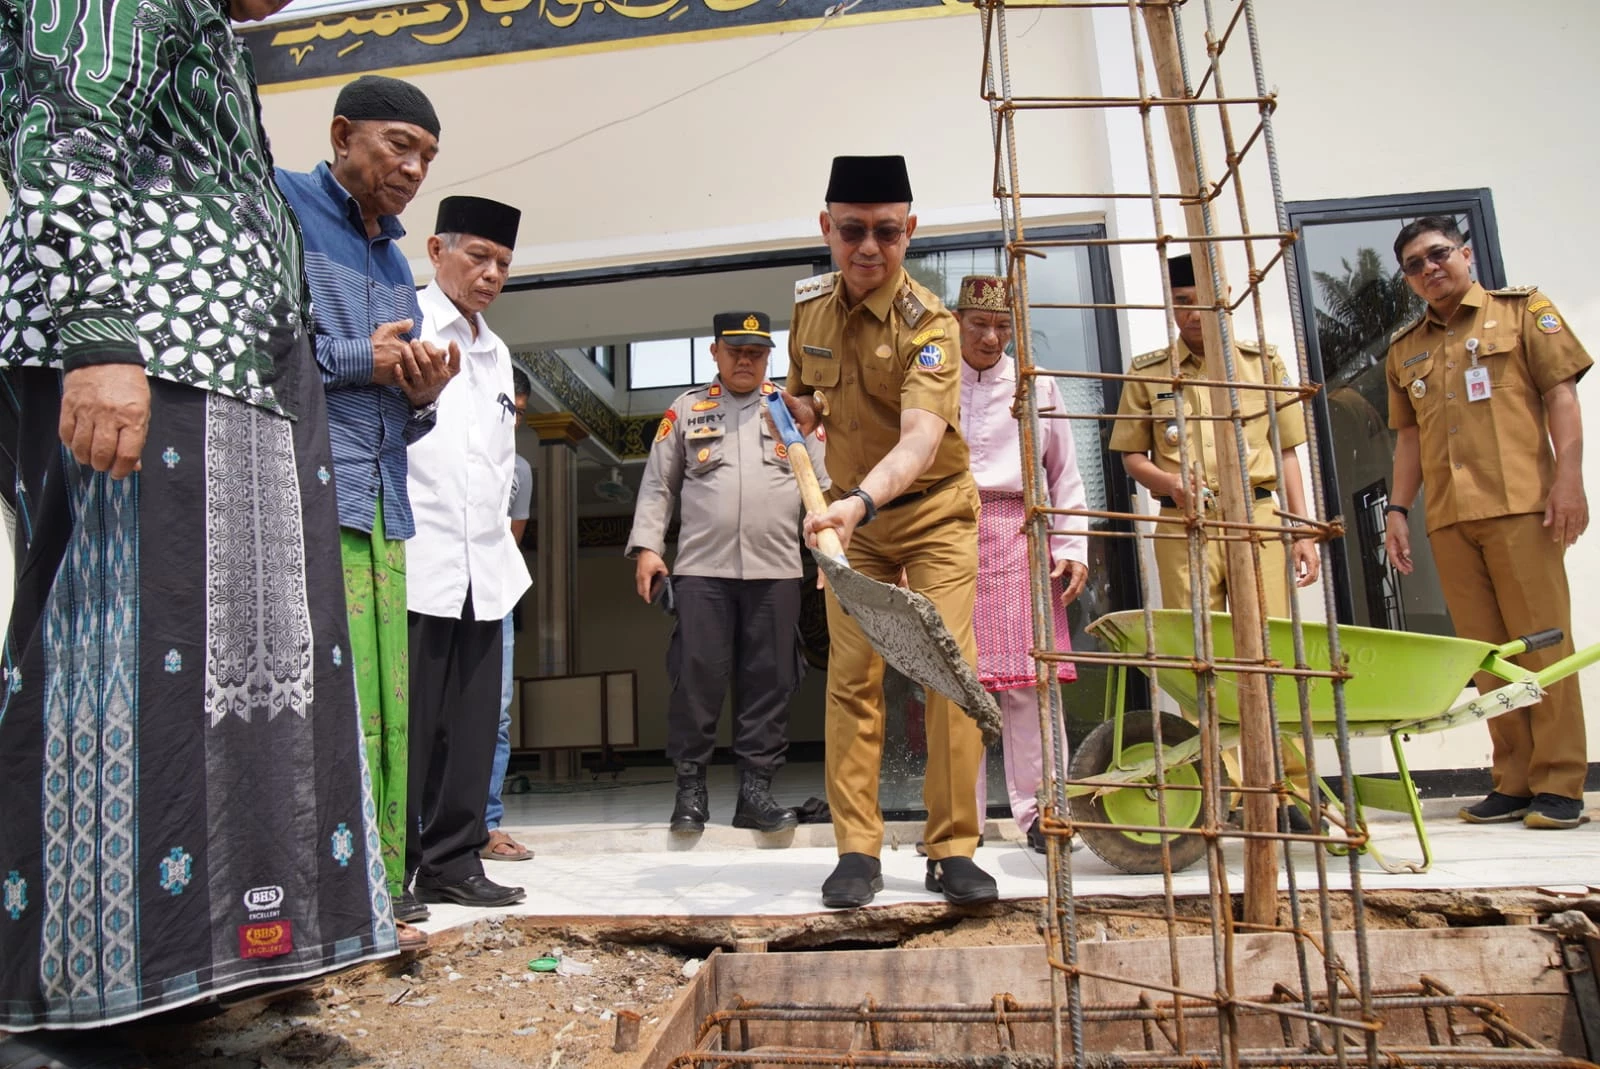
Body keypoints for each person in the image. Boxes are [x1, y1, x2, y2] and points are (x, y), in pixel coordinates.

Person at [0, 0, 395, 1043]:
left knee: (244, 687)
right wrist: (95, 330)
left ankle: (206, 965)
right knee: (128, 669)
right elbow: (66, 126)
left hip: (228, 372)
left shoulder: (207, 21)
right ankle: (88, 993)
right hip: (148, 356)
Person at [781, 155, 997, 909]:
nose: (867, 248)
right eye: (851, 232)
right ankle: (856, 850)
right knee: (852, 681)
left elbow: (917, 442)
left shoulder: (931, 326)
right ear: (826, 229)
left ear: (911, 231)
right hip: (849, 519)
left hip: (930, 509)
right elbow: (803, 398)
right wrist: (804, 415)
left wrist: (859, 504)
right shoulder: (808, 310)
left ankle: (953, 847)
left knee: (948, 674)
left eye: (885, 233)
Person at [277, 75, 458, 941]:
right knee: (335, 706)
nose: (413, 168)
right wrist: (366, 361)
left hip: (385, 504)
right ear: (344, 134)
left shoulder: (394, 258)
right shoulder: (283, 209)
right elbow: (268, 356)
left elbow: (389, 387)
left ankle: (390, 880)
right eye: (398, 145)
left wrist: (420, 394)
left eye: (426, 156)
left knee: (392, 706)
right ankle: (336, 887)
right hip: (315, 499)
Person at [1382, 216, 1590, 830]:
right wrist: (1397, 510)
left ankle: (1560, 783)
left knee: (1544, 645)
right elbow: (1409, 440)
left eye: (1437, 254)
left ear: (1465, 253)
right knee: (1486, 656)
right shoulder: (1404, 348)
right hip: (1449, 518)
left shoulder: (1522, 312)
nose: (1429, 269)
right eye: (1414, 265)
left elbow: (1562, 397)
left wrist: (1569, 480)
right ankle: (1514, 780)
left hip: (1524, 507)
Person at [1108, 252, 1318, 829]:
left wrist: (1302, 529)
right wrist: (1168, 483)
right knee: (1199, 658)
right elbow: (1130, 455)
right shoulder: (1148, 371)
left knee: (1267, 655)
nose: (1191, 313)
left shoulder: (1260, 364)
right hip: (1184, 526)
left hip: (1257, 519)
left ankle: (1287, 790)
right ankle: (1221, 791)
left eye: (1200, 298)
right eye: (1179, 302)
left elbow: (1288, 452)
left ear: (1223, 294)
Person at [626, 312, 823, 834]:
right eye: (735, 350)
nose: (745, 360)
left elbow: (820, 490)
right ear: (715, 352)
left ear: (768, 358)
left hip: (777, 570)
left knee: (771, 681)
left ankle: (755, 792)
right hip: (701, 573)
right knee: (696, 679)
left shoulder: (788, 412)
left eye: (756, 353)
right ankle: (690, 790)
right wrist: (648, 547)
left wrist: (829, 556)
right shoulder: (687, 410)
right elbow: (659, 486)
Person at [403, 197, 533, 907]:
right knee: (415, 730)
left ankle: (455, 862)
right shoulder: (407, 323)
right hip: (421, 561)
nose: (490, 274)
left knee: (476, 730)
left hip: (487, 569)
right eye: (477, 256)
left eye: (503, 264)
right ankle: (394, 870)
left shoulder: (496, 349)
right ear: (436, 249)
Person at [954, 275, 1088, 854]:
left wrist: (1071, 545)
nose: (991, 337)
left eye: (1003, 327)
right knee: (955, 685)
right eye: (979, 324)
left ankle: (1040, 811)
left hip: (1019, 537)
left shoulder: (1040, 385)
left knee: (1029, 685)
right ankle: (957, 820)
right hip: (946, 535)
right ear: (957, 322)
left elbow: (1064, 473)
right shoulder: (930, 383)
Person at [483, 369, 535, 862]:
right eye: (506, 409)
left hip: (496, 593)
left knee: (496, 715)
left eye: (518, 413)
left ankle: (487, 824)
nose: (511, 421)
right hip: (439, 592)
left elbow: (510, 539)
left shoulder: (520, 468)